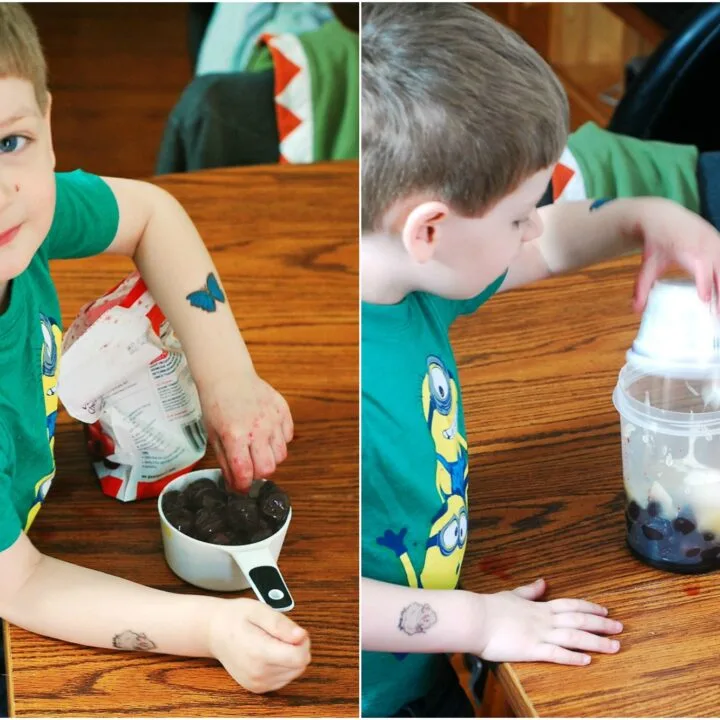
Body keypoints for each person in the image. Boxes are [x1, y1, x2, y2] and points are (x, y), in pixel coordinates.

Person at [360, 3, 720, 717]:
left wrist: (644, 215)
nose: (534, 228)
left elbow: (553, 242)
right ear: (429, 228)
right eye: (520, 212)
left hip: (431, 650)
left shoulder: (411, 278)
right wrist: (481, 623)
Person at [0, 3, 309, 696]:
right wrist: (209, 630)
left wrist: (229, 379)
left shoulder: (29, 218)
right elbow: (20, 585)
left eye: (8, 143)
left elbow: (151, 213)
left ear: (46, 125)